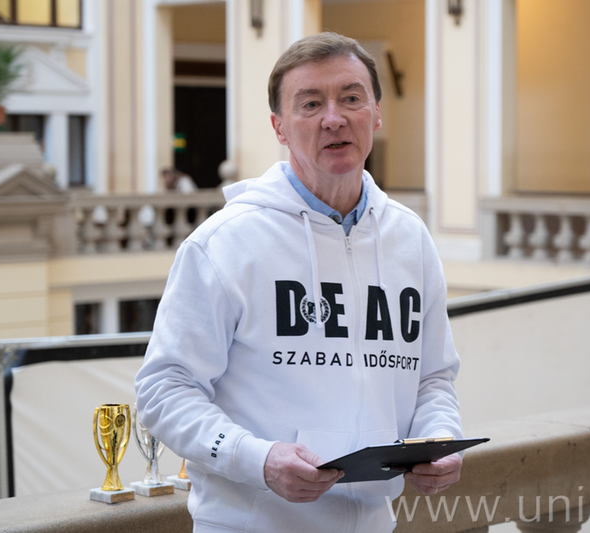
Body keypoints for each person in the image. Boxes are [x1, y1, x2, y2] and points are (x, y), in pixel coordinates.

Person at [135, 32, 462, 533]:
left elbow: (433, 378)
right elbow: (164, 390)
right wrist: (258, 459)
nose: (334, 118)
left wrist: (438, 437)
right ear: (279, 127)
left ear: (376, 113)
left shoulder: (410, 239)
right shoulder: (224, 243)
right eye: (310, 104)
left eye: (351, 98)